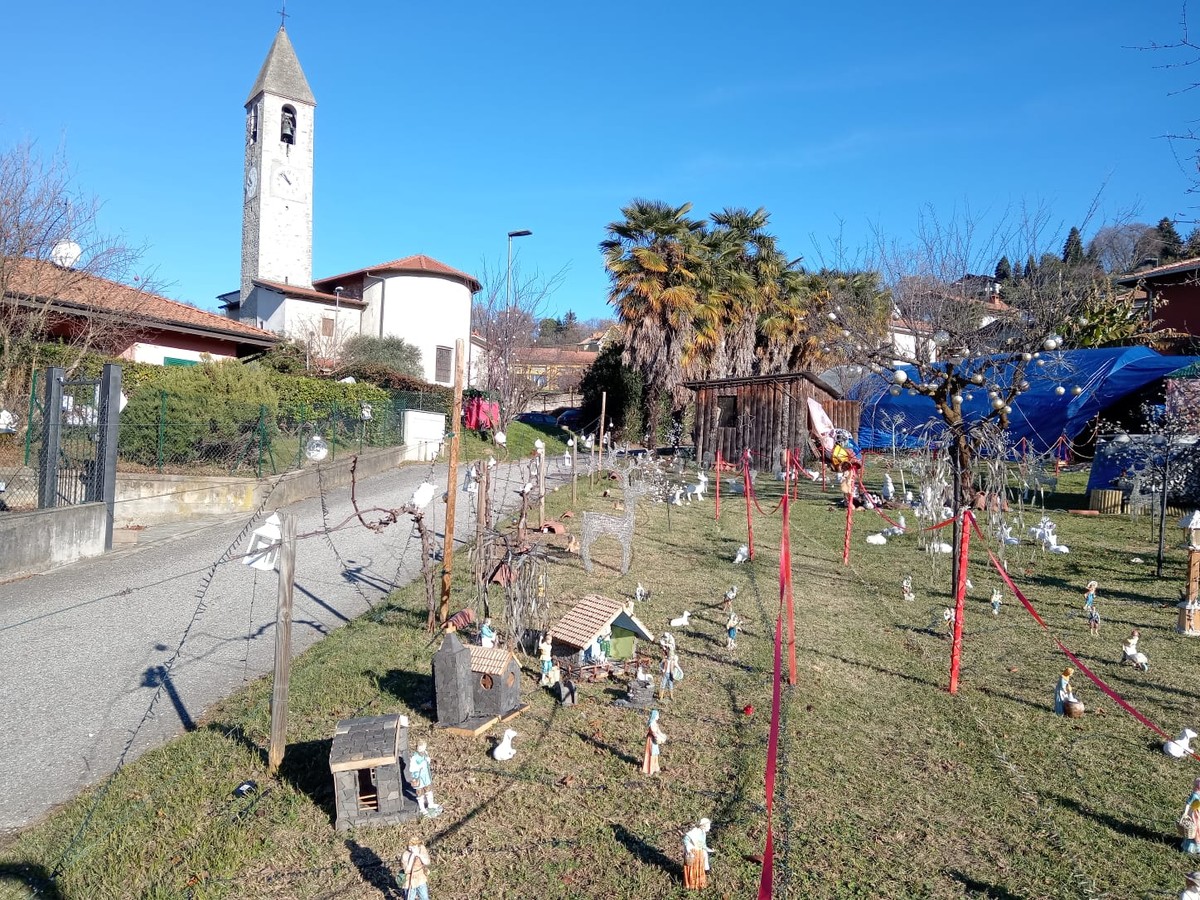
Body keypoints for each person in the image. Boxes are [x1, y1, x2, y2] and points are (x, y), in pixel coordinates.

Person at [407, 741, 442, 817]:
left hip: (426, 776)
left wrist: (428, 760)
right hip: (418, 778)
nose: (421, 749)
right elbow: (411, 769)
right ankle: (422, 808)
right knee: (420, 793)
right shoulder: (414, 757)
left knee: (428, 790)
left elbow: (427, 762)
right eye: (420, 747)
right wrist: (420, 766)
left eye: (422, 747)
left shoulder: (425, 753)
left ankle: (430, 804)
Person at [682, 818, 713, 890]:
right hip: (693, 852)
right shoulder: (694, 832)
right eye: (708, 826)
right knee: (692, 868)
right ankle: (691, 885)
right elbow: (686, 839)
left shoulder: (703, 833)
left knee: (700, 867)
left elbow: (703, 845)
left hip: (699, 852)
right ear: (704, 826)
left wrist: (709, 850)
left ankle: (700, 884)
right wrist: (688, 849)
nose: (709, 827)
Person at [642, 709, 667, 775]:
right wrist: (658, 738)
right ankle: (650, 769)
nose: (658, 717)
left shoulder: (655, 723)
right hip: (651, 740)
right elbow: (654, 733)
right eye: (657, 715)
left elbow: (658, 731)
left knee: (655, 753)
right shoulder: (652, 724)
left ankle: (655, 767)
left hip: (654, 741)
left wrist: (663, 736)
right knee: (651, 753)